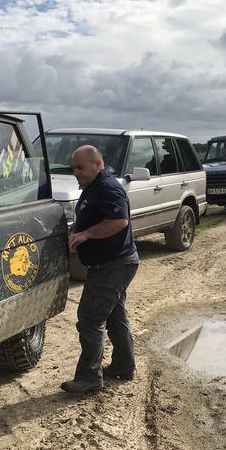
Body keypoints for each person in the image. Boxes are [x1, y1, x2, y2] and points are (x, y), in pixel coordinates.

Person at [61, 145, 140, 395]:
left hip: (112, 264)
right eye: (73, 168)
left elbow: (119, 221)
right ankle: (123, 367)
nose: (76, 172)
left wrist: (86, 234)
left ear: (98, 164)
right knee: (116, 317)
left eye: (80, 167)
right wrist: (76, 228)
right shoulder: (94, 187)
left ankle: (89, 378)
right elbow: (94, 217)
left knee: (90, 320)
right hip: (116, 262)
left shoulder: (107, 187)